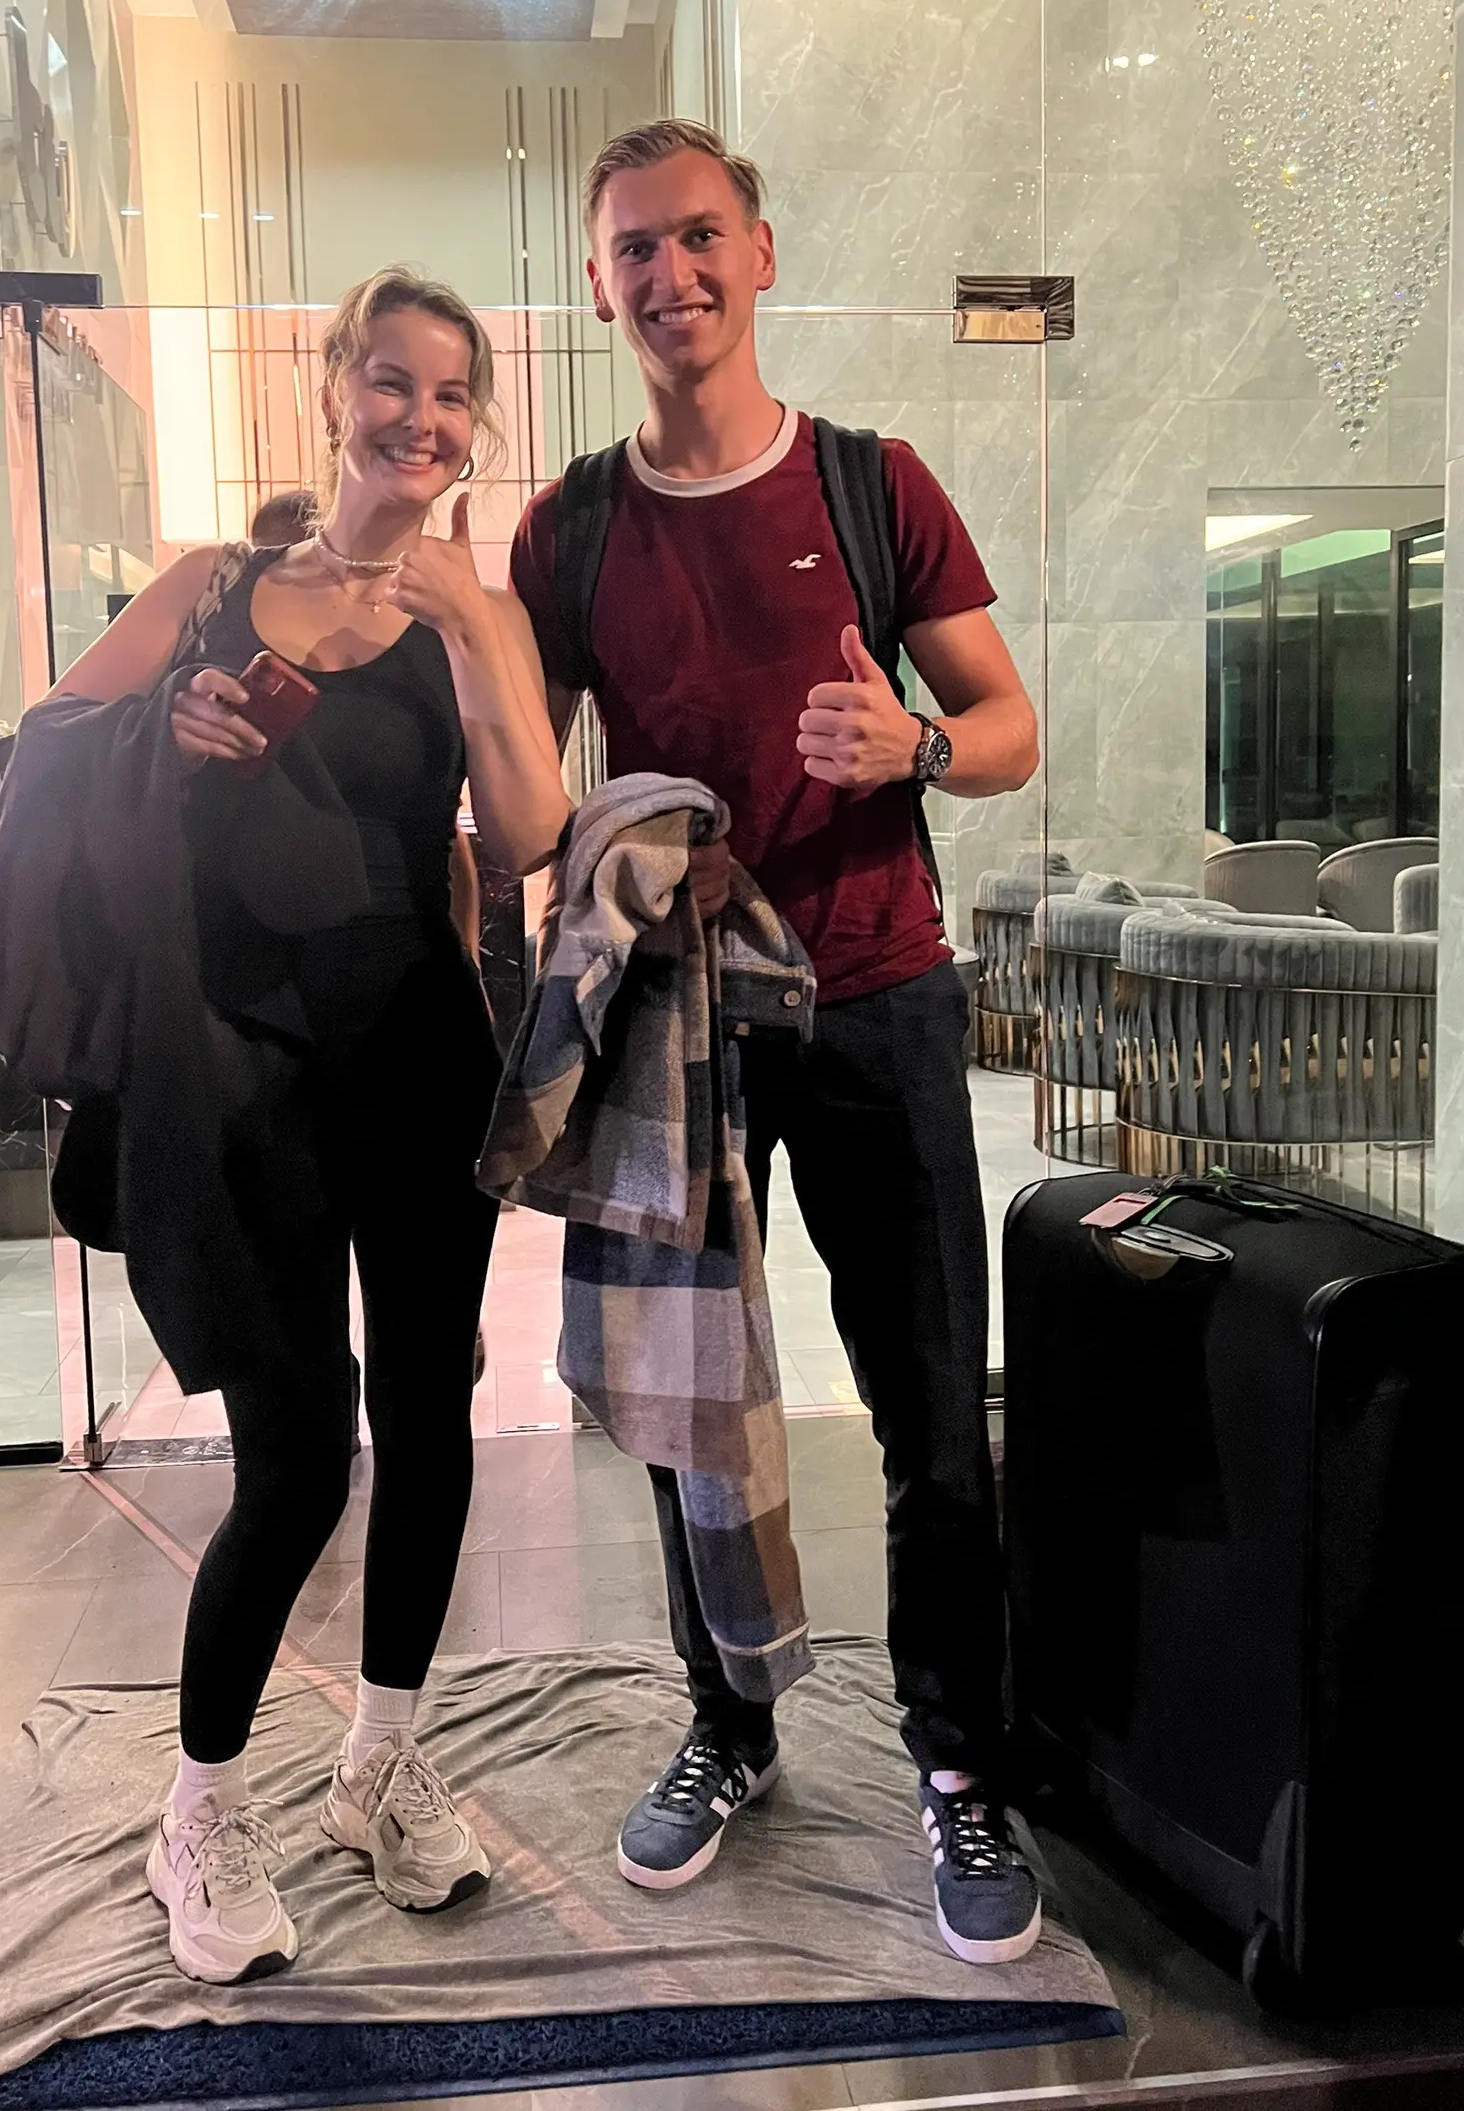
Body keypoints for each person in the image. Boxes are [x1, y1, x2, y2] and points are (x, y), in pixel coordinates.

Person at [509, 121, 1043, 1964]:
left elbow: (1005, 724)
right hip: (680, 1029)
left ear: (759, 250)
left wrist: (916, 747)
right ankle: (726, 1726)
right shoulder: (569, 526)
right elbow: (526, 788)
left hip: (880, 998)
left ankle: (958, 1764)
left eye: (698, 236)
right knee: (691, 1413)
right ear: (600, 285)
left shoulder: (874, 486)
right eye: (633, 249)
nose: (670, 274)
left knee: (930, 1413)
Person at [52, 269, 570, 1984]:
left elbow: (530, 830)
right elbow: (49, 743)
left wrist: (478, 626)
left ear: (471, 427)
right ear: (337, 385)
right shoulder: (211, 587)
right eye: (392, 382)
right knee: (296, 1453)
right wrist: (167, 728)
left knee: (431, 1422)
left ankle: (379, 1761)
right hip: (241, 1075)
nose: (420, 418)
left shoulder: (466, 613)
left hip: (419, 1060)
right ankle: (196, 1808)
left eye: (452, 395)